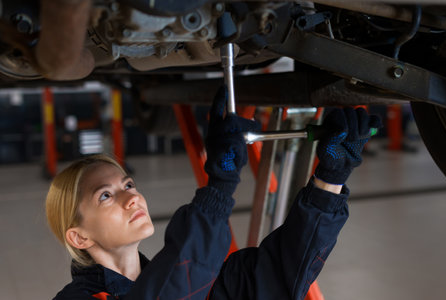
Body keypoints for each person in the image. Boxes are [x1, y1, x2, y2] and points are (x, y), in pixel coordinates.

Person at [46, 86, 381, 299]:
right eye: (105, 195)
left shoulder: (194, 278)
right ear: (79, 237)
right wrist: (219, 187)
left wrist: (330, 178)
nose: (131, 198)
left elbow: (274, 274)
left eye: (128, 185)